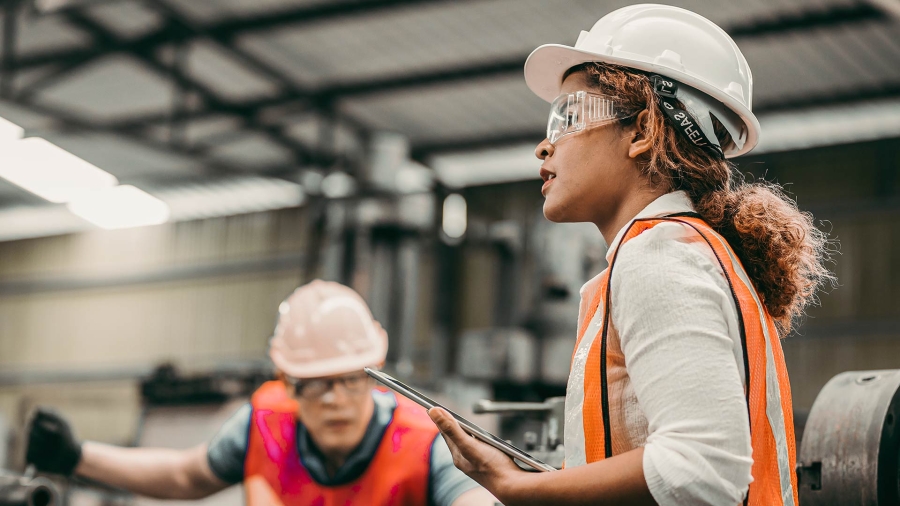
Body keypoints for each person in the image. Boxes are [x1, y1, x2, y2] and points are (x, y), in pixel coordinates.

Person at [428, 4, 833, 506]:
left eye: (569, 117)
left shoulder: (660, 257)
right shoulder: (685, 250)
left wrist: (523, 489)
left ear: (641, 132)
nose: (544, 146)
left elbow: (702, 468)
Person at [26, 280, 496, 506]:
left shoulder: (423, 440)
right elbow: (186, 475)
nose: (334, 398)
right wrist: (75, 456)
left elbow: (472, 501)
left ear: (375, 375)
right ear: (288, 384)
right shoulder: (263, 424)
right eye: (315, 384)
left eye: (351, 378)